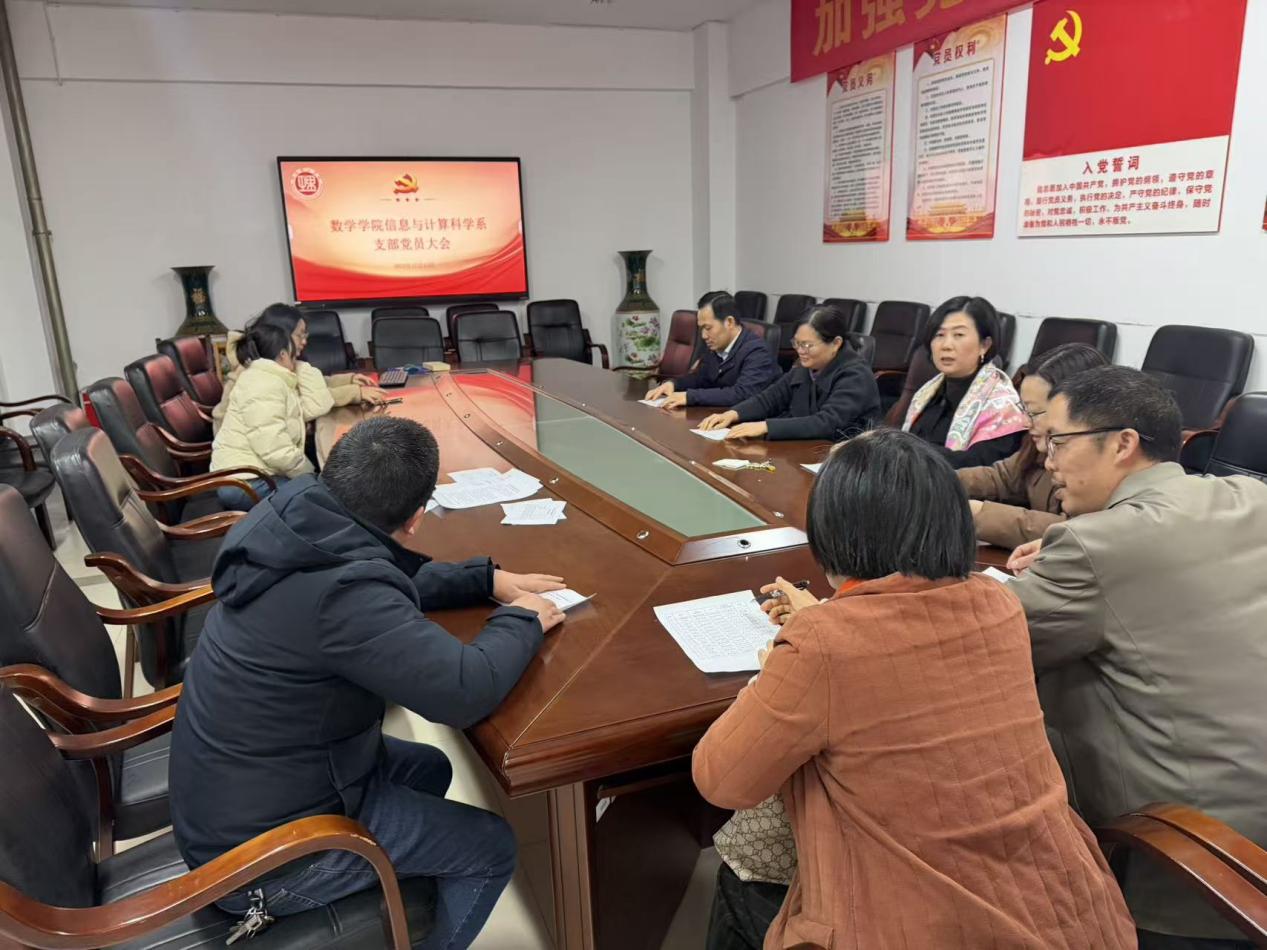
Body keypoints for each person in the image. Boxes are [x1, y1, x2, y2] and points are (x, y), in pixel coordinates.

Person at [693, 428, 1136, 950]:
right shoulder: (998, 604)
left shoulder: (823, 643)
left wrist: (778, 665)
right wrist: (830, 620)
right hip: (1067, 913)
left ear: (834, 531)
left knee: (741, 876)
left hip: (916, 924)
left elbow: (721, 781)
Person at [170, 416, 569, 949]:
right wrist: (523, 620)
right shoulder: (342, 594)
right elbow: (462, 692)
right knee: (490, 846)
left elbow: (379, 580)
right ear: (417, 518)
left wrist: (484, 579)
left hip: (241, 794)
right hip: (263, 857)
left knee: (431, 766)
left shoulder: (297, 519)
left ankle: (394, 899)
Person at [1005, 366, 1267, 949]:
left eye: (1059, 442)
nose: (1047, 460)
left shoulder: (1098, 545)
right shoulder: (1253, 497)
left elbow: (980, 638)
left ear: (1123, 443)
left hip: (1193, 864)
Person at [958, 342, 1109, 548]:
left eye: (1035, 413)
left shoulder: (1105, 463)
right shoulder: (1039, 447)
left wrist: (979, 514)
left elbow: (1079, 533)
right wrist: (934, 480)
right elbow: (1001, 478)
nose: (1025, 422)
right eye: (1025, 410)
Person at [696, 304, 879, 441]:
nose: (800, 351)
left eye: (807, 345)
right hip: (805, 449)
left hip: (843, 460)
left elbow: (826, 422)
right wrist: (732, 414)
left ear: (836, 343)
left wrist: (766, 426)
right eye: (797, 343)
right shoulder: (807, 366)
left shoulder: (856, 375)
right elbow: (770, 398)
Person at [212, 303, 386, 434]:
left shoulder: (274, 362)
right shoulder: (255, 373)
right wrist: (354, 393)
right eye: (299, 335)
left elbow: (311, 386)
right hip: (252, 464)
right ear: (280, 335)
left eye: (305, 334)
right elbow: (305, 401)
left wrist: (349, 380)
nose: (304, 341)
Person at [901, 296, 1028, 468]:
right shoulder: (926, 393)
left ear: (985, 345)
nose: (946, 345)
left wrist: (909, 453)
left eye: (958, 335)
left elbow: (980, 467)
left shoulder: (1002, 406)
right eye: (939, 335)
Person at [210, 322, 311, 510]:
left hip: (250, 477)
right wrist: (309, 474)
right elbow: (274, 448)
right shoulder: (264, 384)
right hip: (245, 484)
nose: (296, 360)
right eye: (293, 355)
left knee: (320, 494)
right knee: (317, 497)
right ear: (283, 354)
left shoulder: (264, 378)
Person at [645, 292, 780, 409]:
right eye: (701, 329)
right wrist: (674, 384)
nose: (704, 336)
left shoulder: (757, 351)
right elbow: (702, 379)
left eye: (708, 328)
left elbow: (742, 394)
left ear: (729, 322)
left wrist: (690, 396)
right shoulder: (716, 346)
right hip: (718, 415)